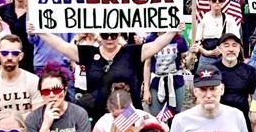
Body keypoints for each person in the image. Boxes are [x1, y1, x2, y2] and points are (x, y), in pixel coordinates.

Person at [35, 29, 178, 119]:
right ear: (99, 35)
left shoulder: (132, 51)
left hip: (130, 115)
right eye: (105, 34)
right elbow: (62, 46)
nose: (109, 38)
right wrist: (40, 31)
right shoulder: (88, 53)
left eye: (113, 34)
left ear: (120, 34)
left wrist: (173, 30)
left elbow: (157, 45)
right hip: (101, 117)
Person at [24, 65, 91, 132]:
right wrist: (46, 125)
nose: (51, 95)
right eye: (46, 92)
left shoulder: (79, 114)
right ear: (41, 94)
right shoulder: (33, 119)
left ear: (64, 91)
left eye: (56, 90)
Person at [0, 34, 42, 132]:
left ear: (21, 56)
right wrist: (26, 116)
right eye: (5, 53)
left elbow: (39, 120)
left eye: (15, 53)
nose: (9, 57)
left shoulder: (33, 81)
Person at [215, 34, 256, 123]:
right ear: (219, 49)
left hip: (241, 120)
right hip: (217, 120)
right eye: (226, 45)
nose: (231, 49)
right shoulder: (211, 71)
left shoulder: (250, 71)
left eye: (234, 45)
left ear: (239, 49)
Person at [143, 31, 188, 116]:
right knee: (157, 115)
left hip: (176, 81)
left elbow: (187, 63)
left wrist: (191, 55)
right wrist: (146, 89)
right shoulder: (150, 39)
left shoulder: (179, 38)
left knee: (175, 114)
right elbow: (147, 65)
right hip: (156, 81)